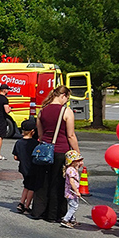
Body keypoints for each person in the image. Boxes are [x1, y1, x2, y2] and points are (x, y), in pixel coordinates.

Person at [31, 86, 79, 222]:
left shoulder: (42, 111)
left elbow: (40, 135)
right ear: (63, 95)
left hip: (44, 151)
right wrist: (77, 153)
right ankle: (54, 214)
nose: (67, 101)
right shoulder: (66, 112)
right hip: (60, 150)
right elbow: (70, 135)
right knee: (57, 183)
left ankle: (38, 211)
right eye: (67, 98)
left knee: (42, 182)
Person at [12, 118, 39, 213]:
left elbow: (15, 157)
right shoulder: (35, 143)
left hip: (23, 167)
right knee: (31, 188)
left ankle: (21, 203)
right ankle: (27, 206)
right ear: (33, 131)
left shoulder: (18, 143)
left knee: (26, 186)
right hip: (32, 168)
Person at [60, 150, 84, 228]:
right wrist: (76, 191)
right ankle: (65, 220)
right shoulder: (70, 170)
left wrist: (78, 165)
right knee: (74, 206)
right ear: (72, 161)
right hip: (71, 192)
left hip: (71, 192)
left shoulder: (72, 169)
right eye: (77, 161)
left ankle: (72, 219)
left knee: (72, 206)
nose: (79, 162)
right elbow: (72, 182)